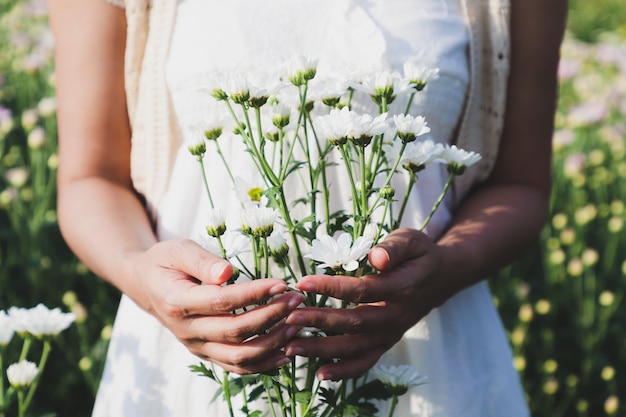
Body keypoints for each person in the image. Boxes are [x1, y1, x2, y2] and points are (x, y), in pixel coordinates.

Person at [48, 0, 567, 415]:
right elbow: (89, 177)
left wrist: (446, 266)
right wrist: (143, 276)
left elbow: (521, 183)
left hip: (428, 359)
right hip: (192, 367)